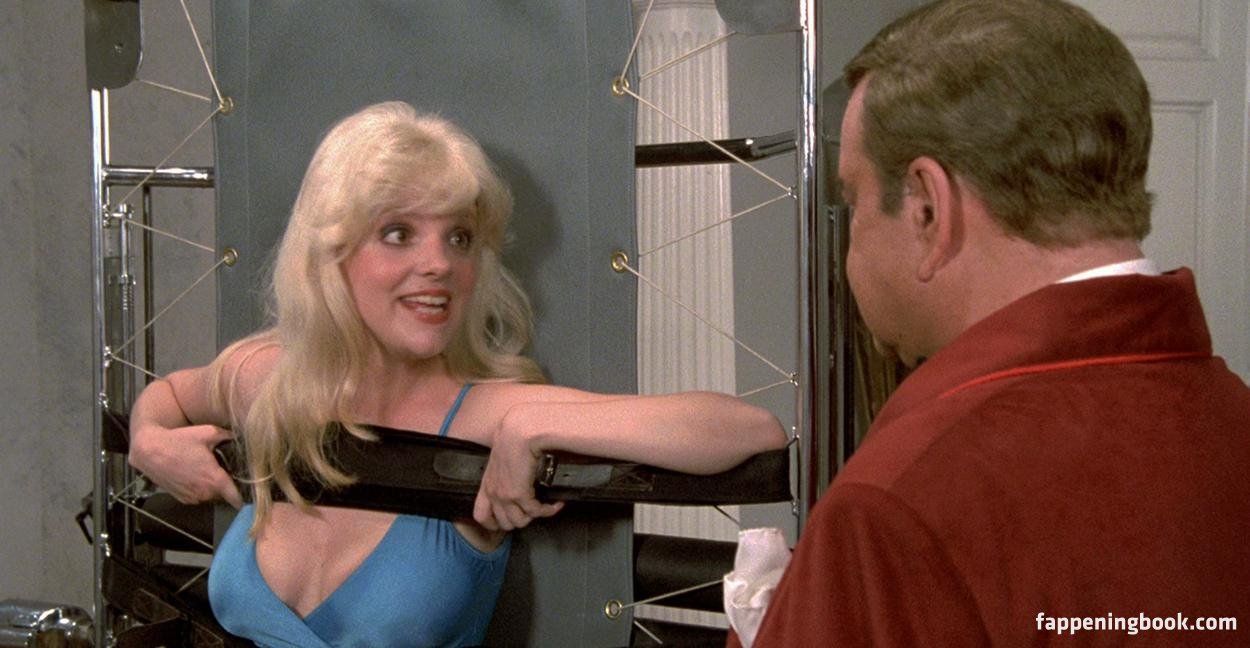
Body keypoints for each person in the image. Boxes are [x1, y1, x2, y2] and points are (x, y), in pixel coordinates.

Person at [127, 101, 786, 648]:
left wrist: (530, 426)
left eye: (459, 237)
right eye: (398, 233)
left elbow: (748, 430)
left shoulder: (484, 414)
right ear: (331, 252)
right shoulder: (265, 378)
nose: (439, 263)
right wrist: (149, 438)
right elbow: (168, 395)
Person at [734, 1, 1250, 646]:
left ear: (927, 209)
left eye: (853, 198)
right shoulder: (1233, 421)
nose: (851, 237)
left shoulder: (899, 501)